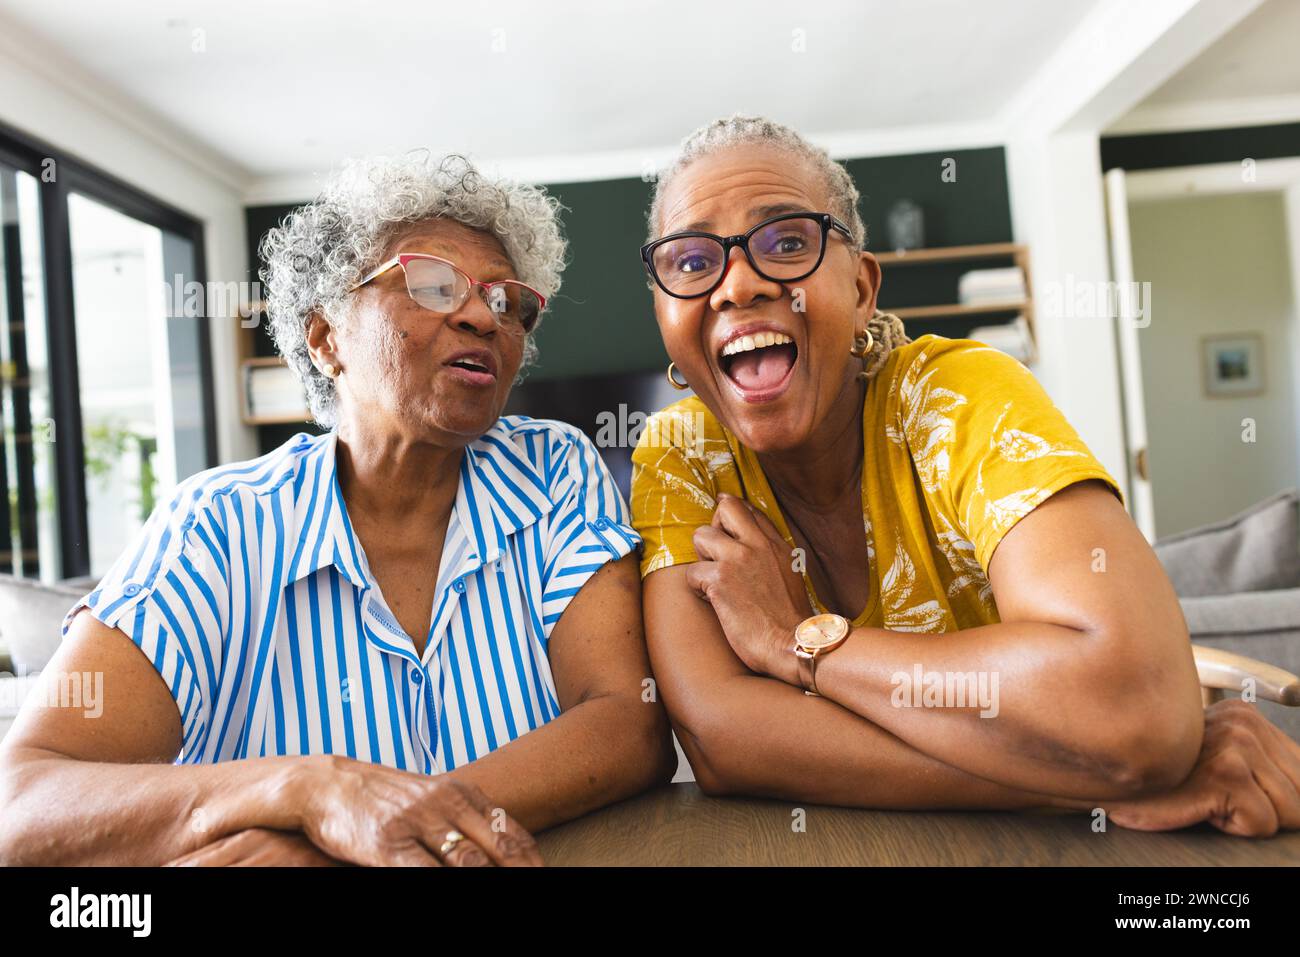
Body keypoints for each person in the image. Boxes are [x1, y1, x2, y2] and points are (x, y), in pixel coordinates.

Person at [631, 115, 1300, 837]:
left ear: (860, 290)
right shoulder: (680, 456)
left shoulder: (959, 394)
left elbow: (1129, 707)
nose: (737, 284)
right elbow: (725, 741)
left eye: (788, 242)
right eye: (692, 261)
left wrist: (805, 642)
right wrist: (1081, 780)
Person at [0, 152, 675, 866]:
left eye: (509, 301)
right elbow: (23, 805)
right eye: (434, 284)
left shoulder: (554, 471)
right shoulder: (216, 529)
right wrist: (311, 789)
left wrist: (355, 835)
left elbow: (627, 724)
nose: (484, 315)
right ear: (326, 339)